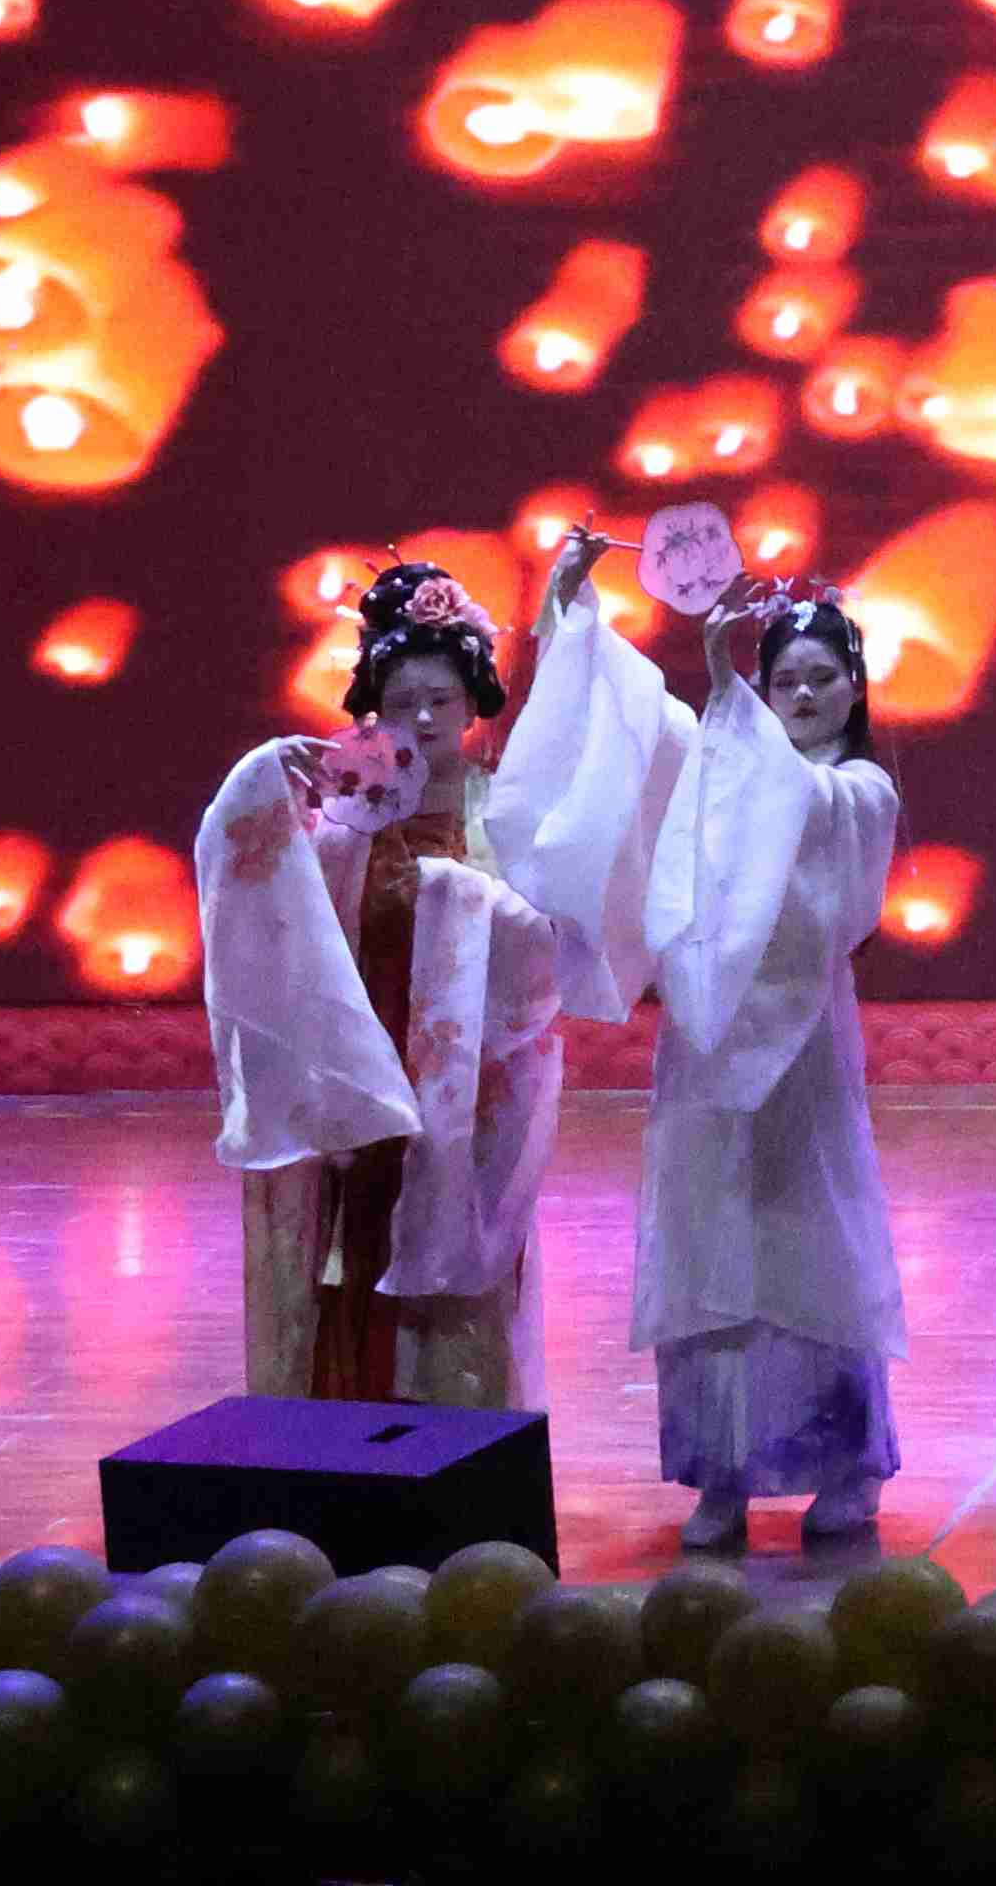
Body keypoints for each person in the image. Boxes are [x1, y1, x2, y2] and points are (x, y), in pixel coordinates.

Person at [479, 530, 908, 1548]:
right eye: (784, 679)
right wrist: (575, 612)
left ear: (855, 688)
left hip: (802, 1043)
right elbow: (630, 731)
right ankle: (723, 1472)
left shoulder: (859, 791)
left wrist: (728, 693)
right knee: (707, 1231)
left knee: (808, 1229)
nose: (802, 694)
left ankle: (844, 1462)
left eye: (821, 677)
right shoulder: (722, 757)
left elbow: (793, 815)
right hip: (707, 1044)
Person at [198, 555, 567, 1410]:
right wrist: (265, 784)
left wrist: (456, 895)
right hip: (371, 1086)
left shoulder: (504, 811)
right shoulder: (345, 817)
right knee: (362, 1244)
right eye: (403, 703)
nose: (424, 718)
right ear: (373, 711)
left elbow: (548, 947)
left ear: (472, 704)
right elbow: (276, 913)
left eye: (441, 698)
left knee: (462, 1245)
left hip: (469, 1087)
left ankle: (468, 1444)